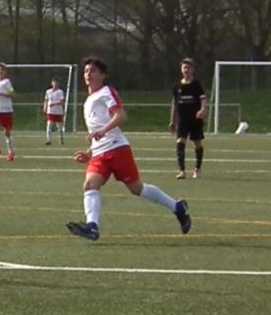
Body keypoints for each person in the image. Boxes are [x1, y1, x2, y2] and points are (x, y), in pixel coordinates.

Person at [66, 56, 191, 241]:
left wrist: (103, 130)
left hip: (117, 149)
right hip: (99, 153)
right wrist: (89, 153)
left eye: (93, 71)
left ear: (103, 75)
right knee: (90, 185)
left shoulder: (106, 92)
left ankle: (177, 207)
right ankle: (92, 226)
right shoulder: (89, 100)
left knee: (136, 188)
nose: (88, 74)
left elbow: (121, 115)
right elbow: (97, 131)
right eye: (86, 71)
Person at [168, 57, 208, 179]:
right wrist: (172, 121)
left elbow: (203, 99)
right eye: (184, 67)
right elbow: (174, 104)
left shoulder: (196, 84)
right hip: (183, 119)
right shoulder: (177, 86)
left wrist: (202, 109)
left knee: (197, 144)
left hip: (195, 119)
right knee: (180, 142)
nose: (186, 70)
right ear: (181, 69)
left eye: (188, 67)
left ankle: (197, 169)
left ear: (192, 70)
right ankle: (182, 171)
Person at [43, 76, 65, 146]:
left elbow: (62, 101)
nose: (55, 84)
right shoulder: (48, 91)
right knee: (49, 125)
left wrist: (54, 104)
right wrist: (45, 107)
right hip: (50, 111)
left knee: (59, 127)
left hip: (58, 112)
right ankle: (49, 140)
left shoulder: (60, 92)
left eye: (56, 83)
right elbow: (46, 100)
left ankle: (61, 140)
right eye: (54, 82)